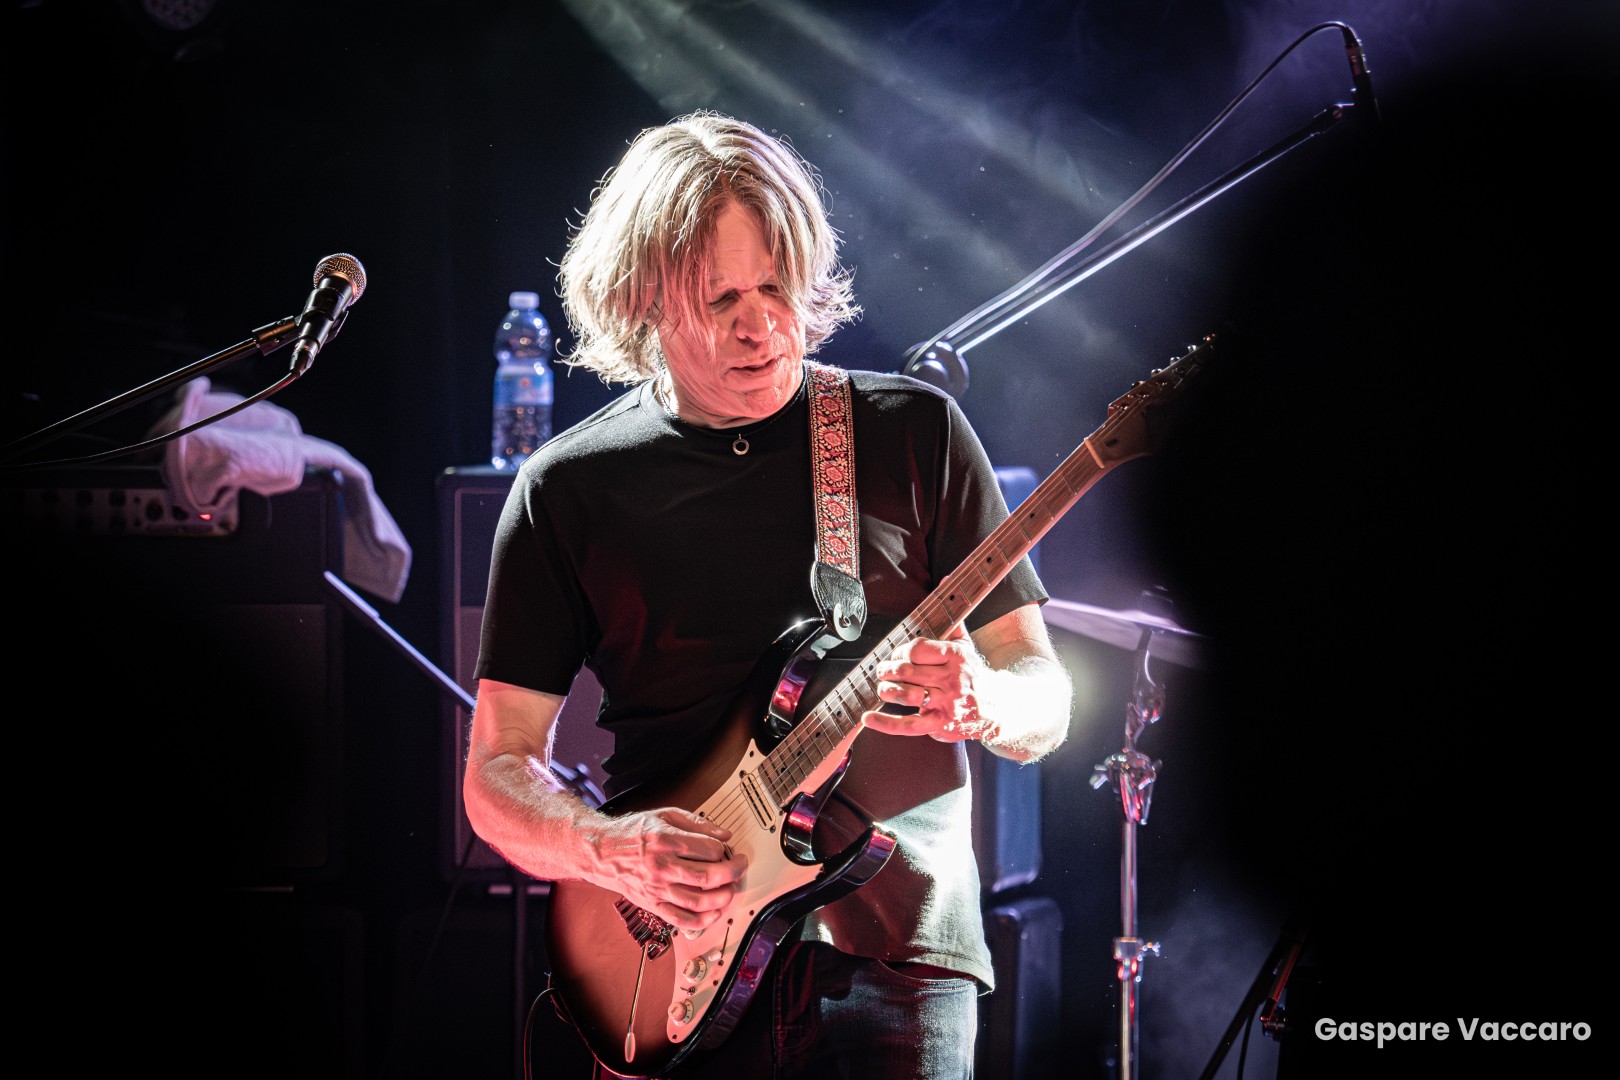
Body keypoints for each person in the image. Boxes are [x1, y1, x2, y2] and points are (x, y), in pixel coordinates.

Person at [462, 110, 1073, 1080]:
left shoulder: (913, 434)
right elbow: (496, 774)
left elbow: (1044, 696)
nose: (760, 325)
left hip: (895, 956)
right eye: (721, 299)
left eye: (777, 288)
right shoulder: (568, 487)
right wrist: (606, 849)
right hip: (668, 966)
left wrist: (987, 702)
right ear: (643, 297)